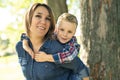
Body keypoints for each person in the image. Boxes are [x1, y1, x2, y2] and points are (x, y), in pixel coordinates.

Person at [21, 13, 89, 80]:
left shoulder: (72, 43)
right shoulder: (51, 34)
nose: (65, 34)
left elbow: (69, 56)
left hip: (72, 74)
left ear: (74, 33)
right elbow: (30, 33)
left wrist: (47, 57)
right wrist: (25, 45)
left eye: (69, 32)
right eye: (62, 29)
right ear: (56, 28)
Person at [16, 3, 72, 80]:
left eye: (48, 18)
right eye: (38, 16)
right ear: (29, 18)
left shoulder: (57, 47)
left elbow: (80, 69)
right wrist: (25, 44)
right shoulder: (20, 46)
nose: (43, 22)